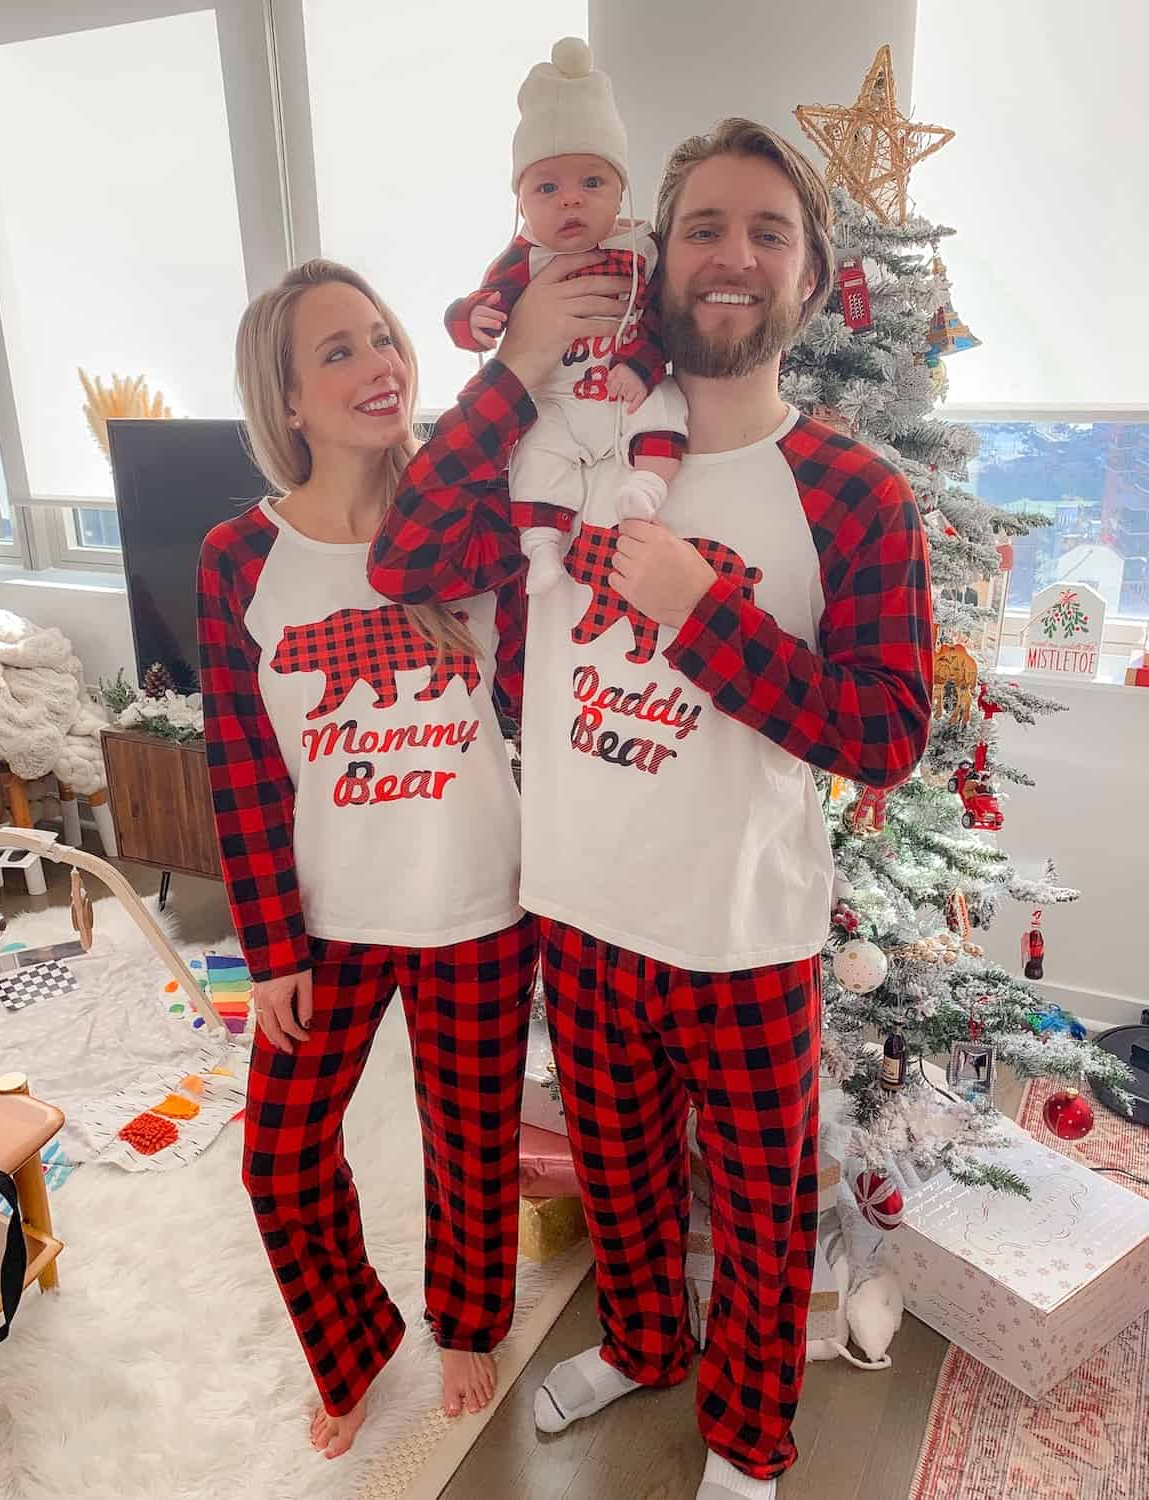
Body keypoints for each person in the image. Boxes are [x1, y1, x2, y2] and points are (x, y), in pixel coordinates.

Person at [369, 119, 934, 1500]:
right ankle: (637, 1343)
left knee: (753, 1220)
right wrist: (509, 365)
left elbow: (885, 734)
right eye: (703, 228)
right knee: (618, 1184)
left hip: (743, 937)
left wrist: (700, 615)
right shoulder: (563, 456)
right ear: (655, 258)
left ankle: (748, 1443)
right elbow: (406, 556)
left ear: (809, 279)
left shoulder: (853, 492)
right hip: (583, 908)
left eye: (768, 232)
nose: (733, 256)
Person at [196, 259, 548, 1460]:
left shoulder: (469, 520)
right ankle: (352, 1344)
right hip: (326, 918)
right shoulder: (238, 558)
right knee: (279, 1162)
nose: (380, 365)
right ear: (285, 399)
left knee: (471, 1136)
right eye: (337, 351)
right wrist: (266, 950)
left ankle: (467, 1322)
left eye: (386, 340)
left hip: (477, 900)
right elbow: (241, 767)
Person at [445, 37, 687, 595]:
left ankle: (646, 488)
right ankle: (542, 548)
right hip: (559, 398)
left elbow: (660, 319)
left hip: (624, 385)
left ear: (620, 189)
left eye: (591, 183)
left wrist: (644, 363)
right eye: (547, 188)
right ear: (523, 202)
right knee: (535, 451)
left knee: (668, 405)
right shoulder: (522, 260)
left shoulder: (644, 249)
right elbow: (479, 306)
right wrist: (472, 318)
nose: (570, 201)